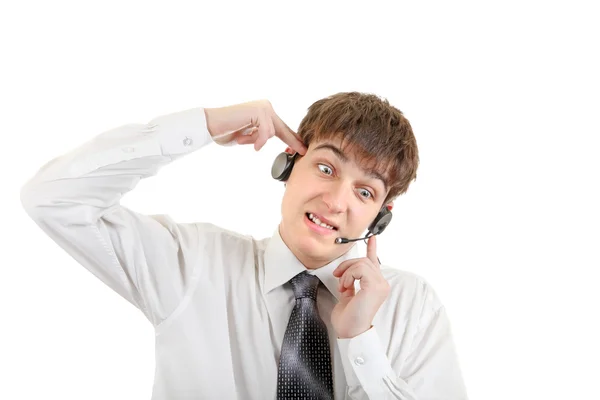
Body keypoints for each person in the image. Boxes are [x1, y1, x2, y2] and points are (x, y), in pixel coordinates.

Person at [20, 92, 468, 399]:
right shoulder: (193, 264)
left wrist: (361, 341)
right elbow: (52, 198)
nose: (335, 202)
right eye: (327, 168)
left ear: (380, 218)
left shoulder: (412, 305)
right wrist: (207, 124)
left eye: (365, 192)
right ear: (288, 163)